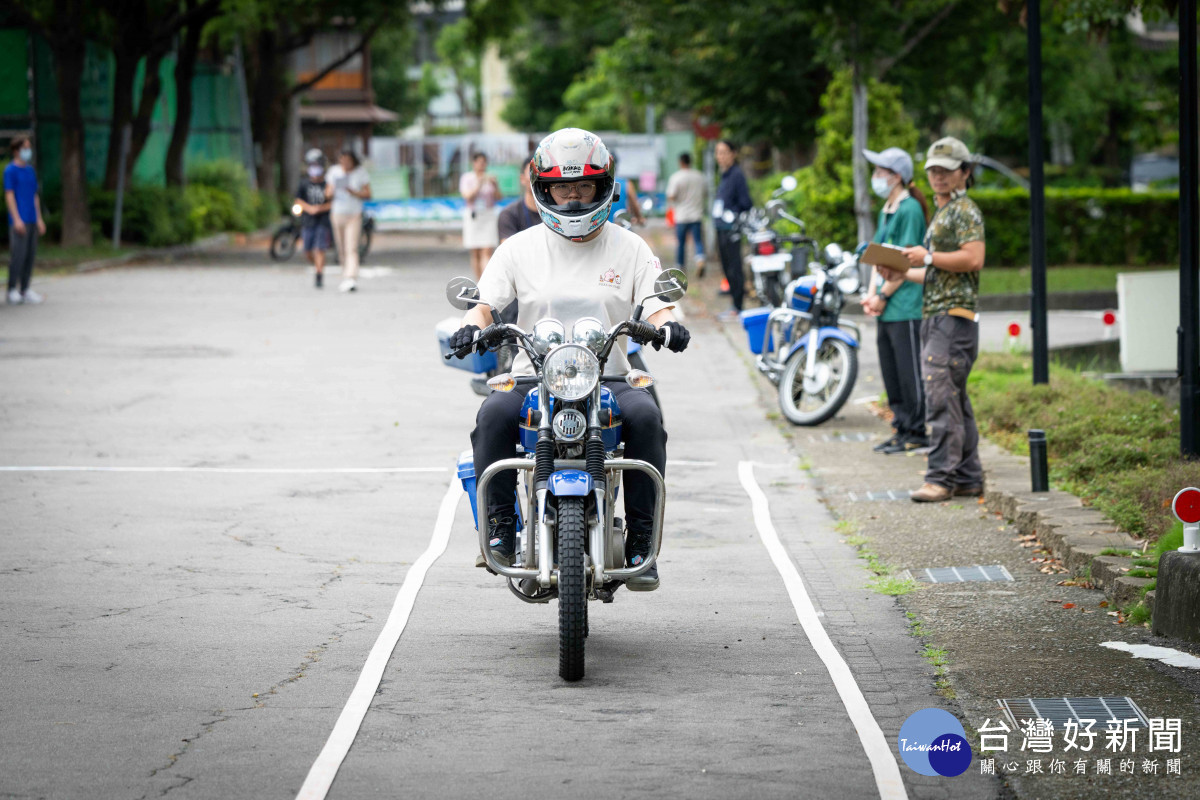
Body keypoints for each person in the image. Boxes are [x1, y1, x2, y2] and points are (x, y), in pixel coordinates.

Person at [449, 128, 691, 592]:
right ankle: (499, 526)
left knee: (647, 419)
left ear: (604, 187)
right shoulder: (518, 247)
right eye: (563, 187)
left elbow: (657, 301)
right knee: (492, 416)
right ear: (544, 189)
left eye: (585, 187)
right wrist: (474, 327)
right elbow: (486, 303)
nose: (575, 197)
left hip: (611, 374)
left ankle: (642, 538)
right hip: (532, 374)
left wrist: (668, 323)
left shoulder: (630, 246)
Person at [884, 137, 986, 503]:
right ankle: (968, 477)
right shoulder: (943, 212)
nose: (939, 176)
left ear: (965, 173)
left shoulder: (964, 210)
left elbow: (973, 258)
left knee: (940, 399)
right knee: (955, 399)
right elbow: (934, 272)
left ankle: (940, 478)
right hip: (939, 315)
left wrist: (926, 258)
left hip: (952, 319)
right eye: (933, 170)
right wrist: (899, 269)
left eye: (947, 169)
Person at [859, 147, 929, 456]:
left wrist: (883, 296)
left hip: (905, 304)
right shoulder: (887, 208)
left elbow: (906, 262)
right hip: (887, 306)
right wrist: (872, 296)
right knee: (891, 372)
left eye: (880, 172)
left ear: (896, 176)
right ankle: (901, 428)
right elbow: (879, 257)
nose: (875, 177)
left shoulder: (910, 209)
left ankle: (916, 431)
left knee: (908, 371)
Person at [712, 140, 753, 321]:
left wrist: (732, 213)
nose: (720, 156)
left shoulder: (737, 175)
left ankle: (738, 307)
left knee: (735, 267)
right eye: (718, 153)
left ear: (733, 153)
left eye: (724, 152)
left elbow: (746, 203)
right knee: (727, 268)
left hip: (732, 229)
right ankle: (734, 305)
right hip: (721, 228)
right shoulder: (725, 175)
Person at [5, 136, 46, 305]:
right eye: (25, 147)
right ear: (16, 150)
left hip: (31, 218)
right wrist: (16, 219)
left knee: (30, 255)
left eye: (29, 147)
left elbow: (34, 195)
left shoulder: (30, 171)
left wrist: (39, 218)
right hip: (19, 220)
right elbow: (9, 195)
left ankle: (25, 289)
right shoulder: (10, 171)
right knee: (18, 256)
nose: (28, 151)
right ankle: (11, 290)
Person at [325, 149, 371, 293]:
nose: (345, 163)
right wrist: (331, 191)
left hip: (354, 214)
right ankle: (345, 275)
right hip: (337, 213)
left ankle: (351, 277)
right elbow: (326, 193)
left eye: (348, 160)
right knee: (341, 247)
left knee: (351, 247)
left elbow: (368, 193)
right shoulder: (334, 172)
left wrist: (354, 192)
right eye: (342, 160)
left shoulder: (360, 172)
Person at [295, 149, 332, 289]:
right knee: (307, 250)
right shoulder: (304, 183)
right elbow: (298, 200)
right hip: (307, 221)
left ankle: (319, 273)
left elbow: (333, 201)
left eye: (317, 165)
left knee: (319, 249)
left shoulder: (327, 184)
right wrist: (309, 208)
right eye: (312, 165)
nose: (314, 168)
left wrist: (320, 209)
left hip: (323, 221)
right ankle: (317, 265)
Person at [460, 152, 501, 279]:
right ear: (474, 163)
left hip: (488, 214)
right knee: (475, 251)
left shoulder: (490, 178)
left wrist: (495, 185)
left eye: (484, 162)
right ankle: (479, 282)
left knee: (487, 249)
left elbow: (499, 197)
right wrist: (479, 183)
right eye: (480, 162)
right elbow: (467, 196)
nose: (482, 165)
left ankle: (486, 280)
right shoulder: (467, 178)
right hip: (474, 215)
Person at [666, 152, 707, 275]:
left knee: (681, 243)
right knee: (698, 241)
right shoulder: (700, 176)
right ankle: (700, 259)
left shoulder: (676, 177)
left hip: (682, 215)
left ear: (681, 162)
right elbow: (705, 194)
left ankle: (680, 266)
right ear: (690, 161)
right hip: (697, 214)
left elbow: (671, 196)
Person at [496, 165, 539, 243]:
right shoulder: (509, 214)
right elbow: (508, 250)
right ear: (522, 179)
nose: (538, 177)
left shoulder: (557, 212)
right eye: (533, 172)